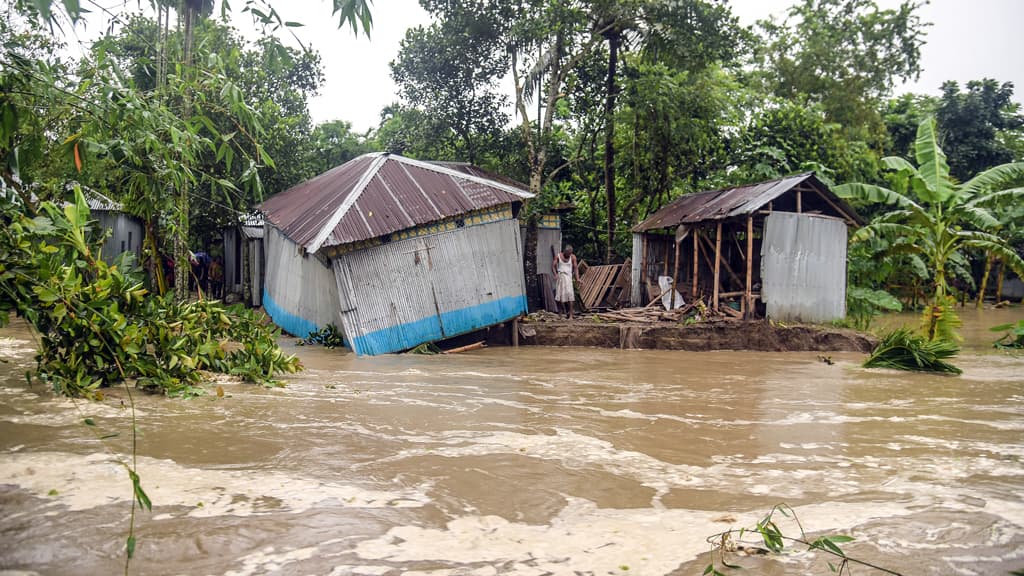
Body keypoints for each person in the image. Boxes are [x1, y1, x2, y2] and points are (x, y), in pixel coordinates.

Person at [552, 245, 580, 319]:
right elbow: (553, 266)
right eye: (567, 253)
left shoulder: (573, 257)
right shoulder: (558, 256)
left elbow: (576, 268)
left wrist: (577, 278)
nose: (568, 255)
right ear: (564, 251)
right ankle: (560, 315)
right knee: (559, 296)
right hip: (560, 277)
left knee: (570, 296)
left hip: (568, 278)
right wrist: (555, 275)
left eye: (570, 253)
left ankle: (571, 315)